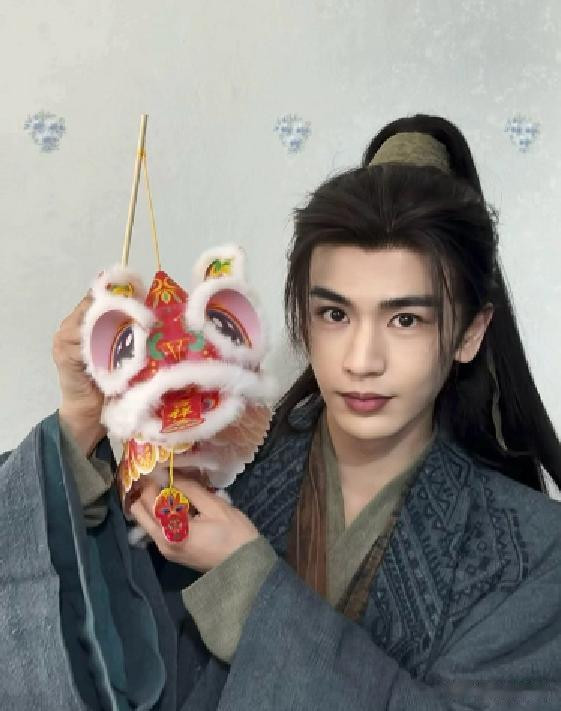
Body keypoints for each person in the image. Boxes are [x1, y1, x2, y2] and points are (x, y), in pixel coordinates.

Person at [2, 114, 561, 709]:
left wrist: (250, 591)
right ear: (301, 317)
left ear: (470, 333)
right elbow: (66, 630)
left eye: (405, 319)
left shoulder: (532, 552)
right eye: (335, 314)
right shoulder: (208, 473)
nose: (362, 360)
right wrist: (80, 425)